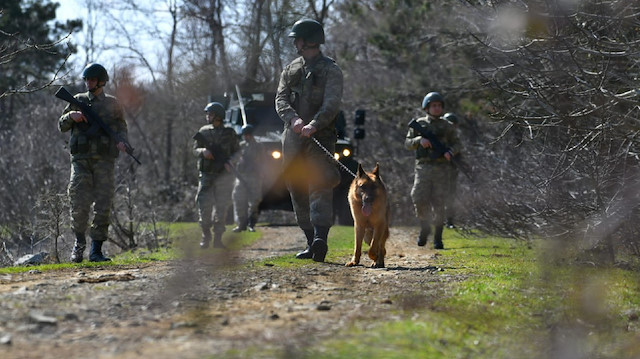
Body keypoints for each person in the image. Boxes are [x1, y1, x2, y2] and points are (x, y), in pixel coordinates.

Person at [275, 18, 343, 262]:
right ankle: (309, 240)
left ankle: (320, 239)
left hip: (321, 137)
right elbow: (280, 99)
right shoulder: (291, 69)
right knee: (296, 187)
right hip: (292, 139)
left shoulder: (331, 70)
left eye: (298, 39)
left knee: (320, 184)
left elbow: (332, 104)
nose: (295, 43)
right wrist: (293, 120)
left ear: (307, 41)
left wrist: (314, 124)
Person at [58, 63, 128, 263]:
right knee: (78, 203)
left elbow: (122, 128)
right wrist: (71, 116)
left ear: (102, 81)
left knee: (103, 205)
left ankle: (96, 250)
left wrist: (123, 142)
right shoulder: (77, 101)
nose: (89, 83)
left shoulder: (113, 104)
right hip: (81, 161)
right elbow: (61, 125)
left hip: (105, 162)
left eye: (92, 80)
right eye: (86, 79)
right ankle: (78, 246)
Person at [405, 92, 461, 249]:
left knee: (439, 202)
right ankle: (424, 226)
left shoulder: (447, 126)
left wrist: (451, 152)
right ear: (427, 108)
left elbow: (458, 144)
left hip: (442, 168)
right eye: (433, 106)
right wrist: (419, 140)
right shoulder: (419, 124)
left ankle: (438, 237)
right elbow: (407, 143)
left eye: (439, 106)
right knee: (418, 197)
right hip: (423, 167)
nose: (436, 108)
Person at [193, 102, 240, 249]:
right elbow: (194, 149)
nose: (208, 116)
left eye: (211, 114)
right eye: (208, 114)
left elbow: (237, 151)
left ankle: (218, 239)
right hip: (206, 174)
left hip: (223, 176)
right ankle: (205, 235)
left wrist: (230, 162)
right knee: (204, 206)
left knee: (222, 207)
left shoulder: (230, 133)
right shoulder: (203, 131)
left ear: (218, 116)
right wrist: (203, 152)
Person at [232, 124, 264, 232]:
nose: (246, 137)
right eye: (245, 135)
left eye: (248, 135)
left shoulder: (258, 146)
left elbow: (262, 160)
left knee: (254, 201)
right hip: (241, 176)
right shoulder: (240, 146)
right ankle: (241, 224)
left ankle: (252, 223)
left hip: (254, 176)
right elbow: (234, 158)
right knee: (238, 199)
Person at [443, 112, 460, 229]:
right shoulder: (441, 138)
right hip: (438, 170)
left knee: (450, 196)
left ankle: (449, 220)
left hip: (451, 171)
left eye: (453, 125)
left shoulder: (455, 140)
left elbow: (459, 152)